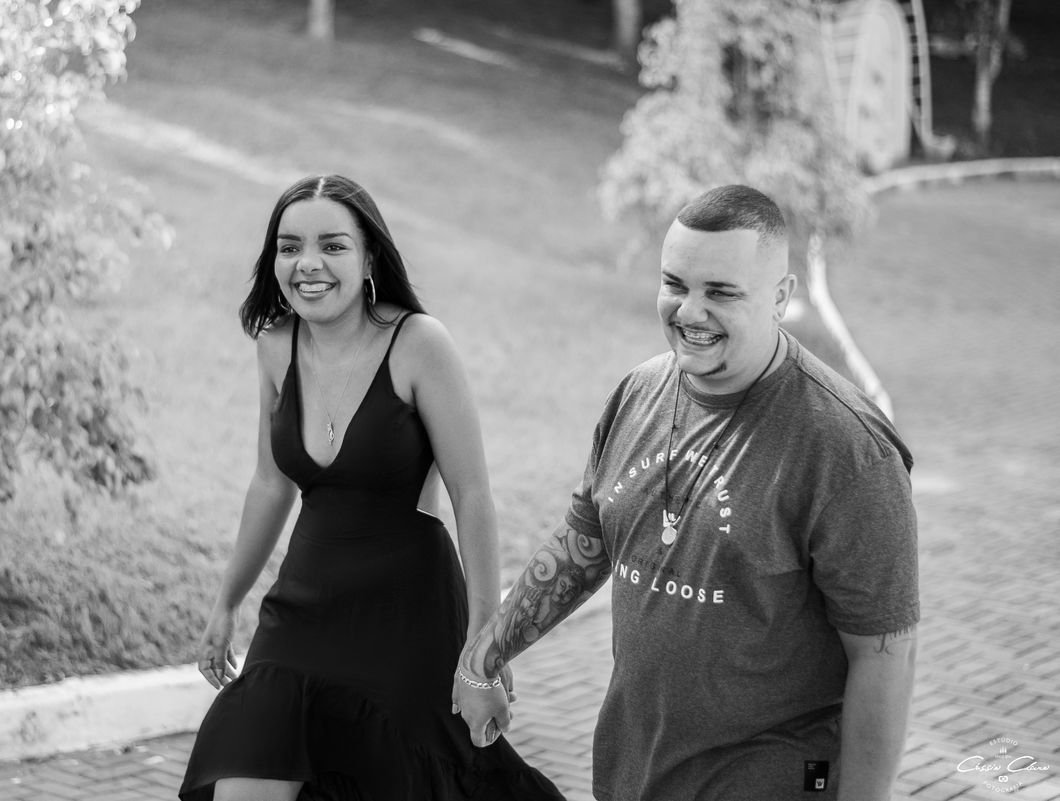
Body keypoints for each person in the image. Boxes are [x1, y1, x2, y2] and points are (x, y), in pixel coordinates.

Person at [453, 185, 919, 800]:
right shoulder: (638, 394)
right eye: (675, 284)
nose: (690, 312)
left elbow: (884, 657)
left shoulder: (848, 450)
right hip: (633, 772)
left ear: (781, 297)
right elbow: (583, 546)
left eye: (721, 292)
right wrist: (482, 659)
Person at [179, 175, 565, 801]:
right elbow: (270, 483)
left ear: (368, 260)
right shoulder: (275, 346)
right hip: (302, 607)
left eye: (332, 245)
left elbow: (472, 495)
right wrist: (227, 603)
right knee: (248, 769)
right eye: (289, 247)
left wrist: (483, 650)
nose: (307, 263)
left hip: (407, 614)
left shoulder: (418, 344)